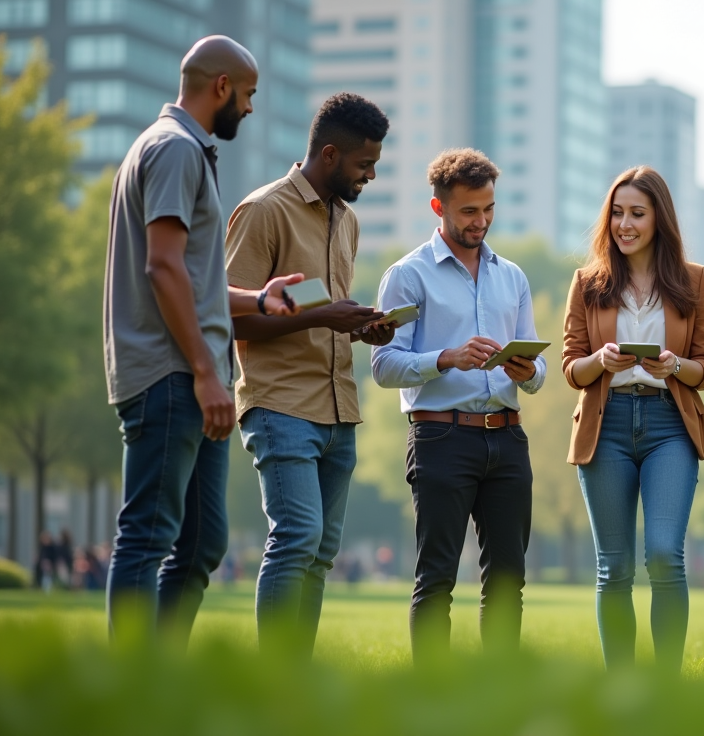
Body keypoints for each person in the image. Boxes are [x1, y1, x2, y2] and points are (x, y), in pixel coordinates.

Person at [104, 36, 303, 645]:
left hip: (189, 372)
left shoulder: (175, 148)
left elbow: (193, 274)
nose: (249, 108)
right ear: (221, 86)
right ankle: (131, 687)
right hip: (172, 374)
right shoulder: (173, 150)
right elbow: (162, 268)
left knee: (202, 539)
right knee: (150, 534)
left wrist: (258, 299)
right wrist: (205, 371)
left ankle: (158, 672)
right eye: (247, 96)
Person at [225, 93, 393, 658]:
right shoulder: (264, 210)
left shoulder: (347, 221)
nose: (371, 175)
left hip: (338, 408)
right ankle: (274, 680)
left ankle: (296, 677)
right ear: (329, 154)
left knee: (321, 552)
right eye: (364, 165)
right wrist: (325, 315)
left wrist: (360, 327)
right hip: (280, 405)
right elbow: (231, 316)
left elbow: (322, 311)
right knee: (296, 539)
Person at [372, 148, 546, 665]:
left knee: (508, 580)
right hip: (440, 439)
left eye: (489, 208)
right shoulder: (407, 275)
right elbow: (384, 365)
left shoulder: (512, 277)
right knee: (437, 577)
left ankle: (497, 693)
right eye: (469, 211)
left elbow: (537, 374)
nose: (482, 221)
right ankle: (434, 694)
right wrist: (445, 358)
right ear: (438, 207)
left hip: (508, 438)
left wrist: (526, 370)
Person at [562, 166, 704, 672]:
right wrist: (600, 362)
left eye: (637, 214)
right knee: (615, 567)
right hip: (604, 425)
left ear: (659, 219)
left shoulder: (694, 281)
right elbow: (571, 366)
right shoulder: (588, 283)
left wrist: (676, 366)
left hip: (670, 425)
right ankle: (622, 686)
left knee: (665, 555)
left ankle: (665, 687)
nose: (624, 225)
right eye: (617, 214)